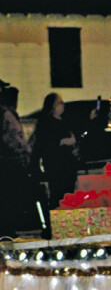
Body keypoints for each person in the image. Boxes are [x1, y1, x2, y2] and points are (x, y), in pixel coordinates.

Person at [30, 93, 79, 210]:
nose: (63, 106)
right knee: (58, 194)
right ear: (53, 106)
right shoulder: (47, 123)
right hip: (56, 165)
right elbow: (47, 144)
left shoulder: (63, 120)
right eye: (60, 103)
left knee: (68, 194)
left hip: (68, 164)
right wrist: (64, 141)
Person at [0, 86, 32, 237]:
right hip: (10, 163)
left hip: (9, 162)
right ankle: (9, 230)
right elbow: (12, 139)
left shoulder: (7, 115)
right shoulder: (7, 115)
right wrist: (23, 150)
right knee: (10, 199)